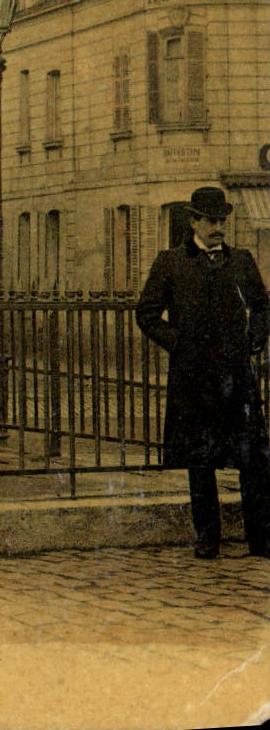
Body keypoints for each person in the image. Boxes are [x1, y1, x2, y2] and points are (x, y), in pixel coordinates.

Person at [136, 186, 270, 559]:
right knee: (201, 460)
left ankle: (261, 538)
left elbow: (262, 308)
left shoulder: (240, 261)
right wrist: (178, 343)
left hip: (236, 378)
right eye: (211, 220)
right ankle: (207, 537)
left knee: (253, 458)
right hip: (193, 378)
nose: (218, 228)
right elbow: (146, 314)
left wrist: (254, 341)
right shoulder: (170, 263)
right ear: (193, 221)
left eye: (222, 221)